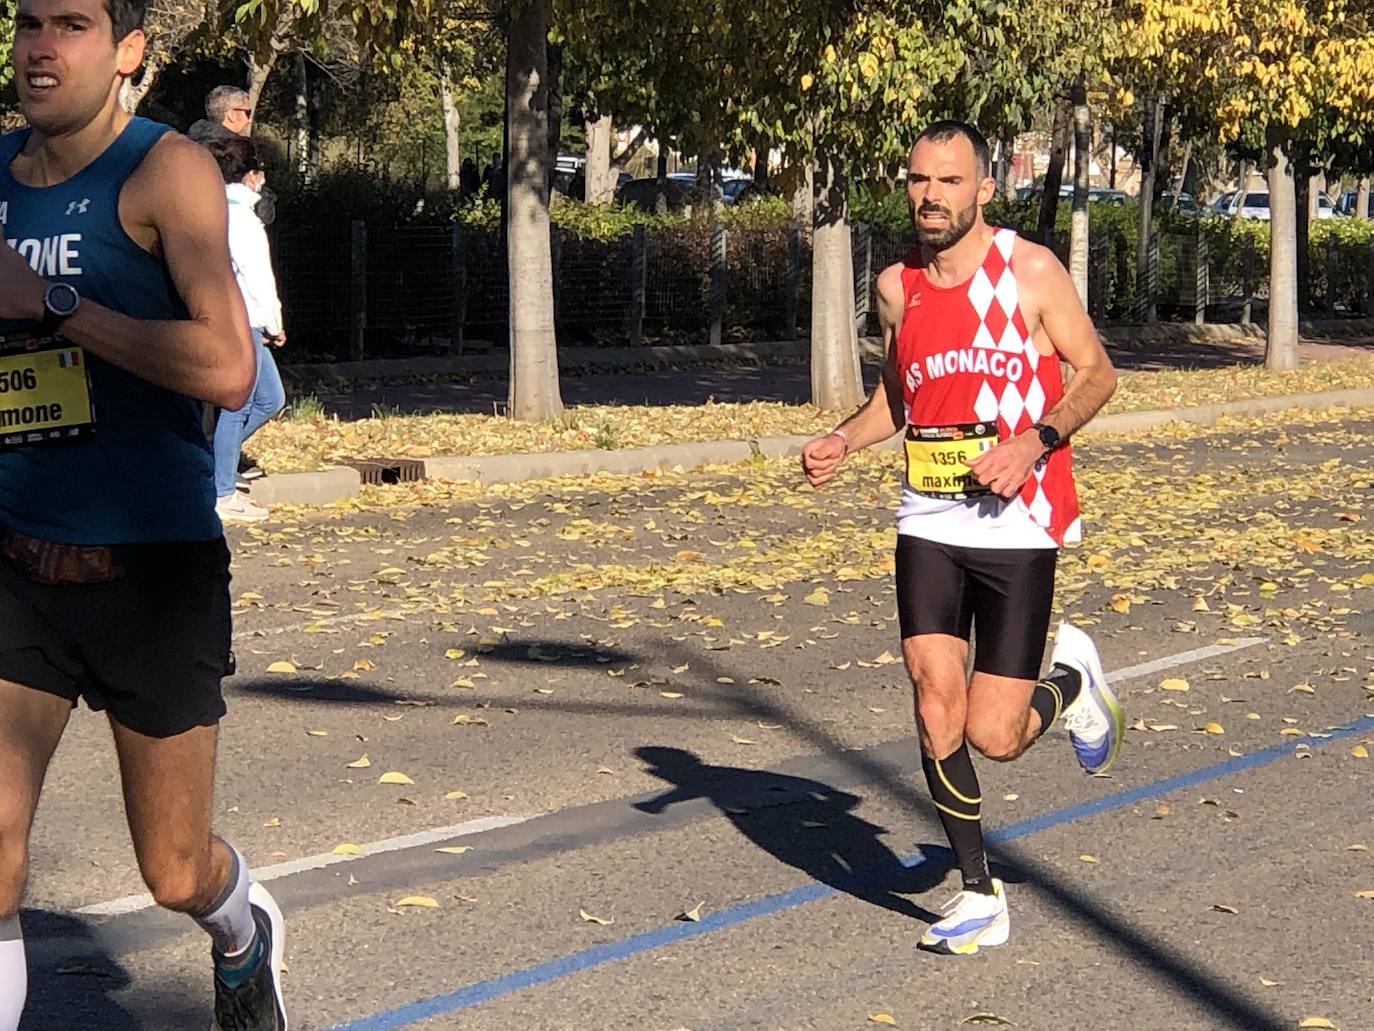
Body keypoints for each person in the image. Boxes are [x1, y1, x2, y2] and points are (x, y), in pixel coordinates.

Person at [0, 1, 286, 1028]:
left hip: (150, 575)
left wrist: (56, 307)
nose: (40, 45)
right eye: (27, 20)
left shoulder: (164, 171)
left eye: (70, 23)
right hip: (17, 562)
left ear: (128, 52)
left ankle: (243, 924)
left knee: (172, 867)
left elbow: (226, 365)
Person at [801, 121, 1123, 957]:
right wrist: (845, 437)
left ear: (984, 188)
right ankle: (980, 892)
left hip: (1019, 518)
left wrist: (1035, 441)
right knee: (931, 693)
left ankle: (1074, 682)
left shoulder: (1028, 270)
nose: (931, 196)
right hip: (930, 516)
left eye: (949, 181)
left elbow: (1097, 373)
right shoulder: (896, 288)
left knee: (995, 735)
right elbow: (900, 401)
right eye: (918, 180)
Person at [207, 135, 286, 524]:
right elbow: (258, 276)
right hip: (246, 320)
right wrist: (275, 321)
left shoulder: (217, 209)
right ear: (252, 175)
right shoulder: (242, 218)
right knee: (237, 406)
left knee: (271, 398)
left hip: (240, 319)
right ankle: (221, 489)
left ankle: (216, 465)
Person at [188, 84, 276, 227]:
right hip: (233, 229)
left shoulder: (189, 144)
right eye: (247, 113)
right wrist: (262, 191)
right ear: (231, 115)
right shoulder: (242, 152)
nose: (249, 120)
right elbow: (264, 213)